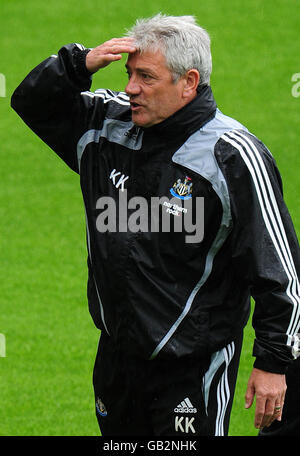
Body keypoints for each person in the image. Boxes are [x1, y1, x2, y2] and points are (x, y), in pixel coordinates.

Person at [11, 14, 300, 436]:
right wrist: (78, 65)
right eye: (129, 74)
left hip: (192, 368)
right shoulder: (105, 125)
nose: (131, 88)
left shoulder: (232, 156)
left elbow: (278, 270)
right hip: (116, 358)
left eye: (146, 77)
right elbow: (31, 102)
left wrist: (274, 363)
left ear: (188, 82)